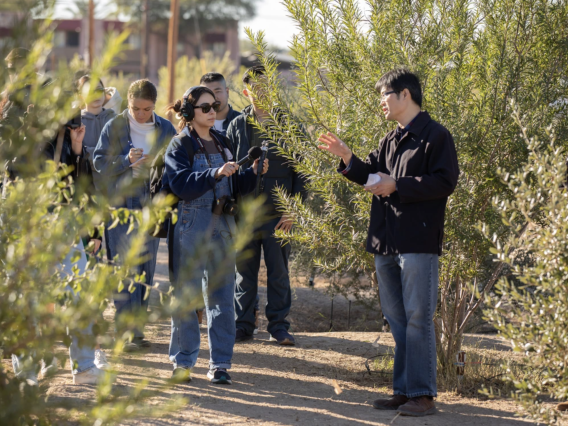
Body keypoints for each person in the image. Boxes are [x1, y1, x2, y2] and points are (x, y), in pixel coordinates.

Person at [317, 69, 459, 417]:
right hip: (385, 241)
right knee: (397, 319)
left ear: (405, 95)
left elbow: (445, 181)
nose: (381, 101)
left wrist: (398, 185)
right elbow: (371, 175)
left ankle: (423, 395)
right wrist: (348, 158)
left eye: (385, 95)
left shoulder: (435, 136)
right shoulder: (390, 140)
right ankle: (404, 390)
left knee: (417, 317)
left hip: (417, 242)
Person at [164, 86, 268, 384]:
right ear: (189, 113)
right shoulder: (178, 146)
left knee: (222, 297)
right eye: (205, 108)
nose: (213, 112)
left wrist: (253, 173)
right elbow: (182, 185)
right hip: (190, 225)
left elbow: (235, 187)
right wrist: (215, 173)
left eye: (215, 106)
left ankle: (220, 364)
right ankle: (183, 364)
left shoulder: (223, 142)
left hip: (222, 226)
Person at [93, 79, 176, 351]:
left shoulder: (165, 128)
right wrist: (126, 161)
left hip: (151, 201)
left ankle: (137, 330)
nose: (141, 114)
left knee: (145, 267)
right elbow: (99, 163)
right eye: (135, 108)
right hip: (120, 201)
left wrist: (157, 164)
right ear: (128, 103)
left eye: (147, 109)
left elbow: (178, 162)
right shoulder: (114, 126)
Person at [228, 65, 307, 346]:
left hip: (278, 216)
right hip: (245, 215)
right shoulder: (237, 125)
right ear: (247, 91)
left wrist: (293, 209)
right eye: (256, 89)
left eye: (267, 88)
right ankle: (243, 325)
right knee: (243, 273)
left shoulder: (289, 124)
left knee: (279, 273)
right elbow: (230, 167)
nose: (261, 94)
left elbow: (303, 170)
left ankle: (279, 326)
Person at [76, 74, 117, 254]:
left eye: (99, 89)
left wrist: (90, 151)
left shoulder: (115, 118)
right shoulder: (76, 121)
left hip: (116, 194)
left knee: (119, 256)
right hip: (89, 196)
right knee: (92, 256)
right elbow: (78, 155)